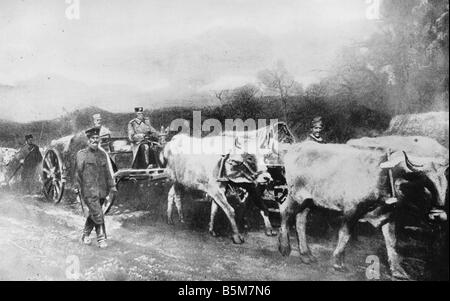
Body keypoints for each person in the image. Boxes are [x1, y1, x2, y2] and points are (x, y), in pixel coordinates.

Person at [75, 127, 117, 248]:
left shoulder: (103, 155)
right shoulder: (82, 155)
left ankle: (85, 234)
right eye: (92, 138)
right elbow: (77, 173)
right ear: (88, 140)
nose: (95, 140)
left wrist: (112, 186)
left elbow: (108, 173)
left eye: (97, 138)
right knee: (98, 213)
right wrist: (77, 188)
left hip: (102, 191)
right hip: (88, 190)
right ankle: (101, 239)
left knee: (94, 213)